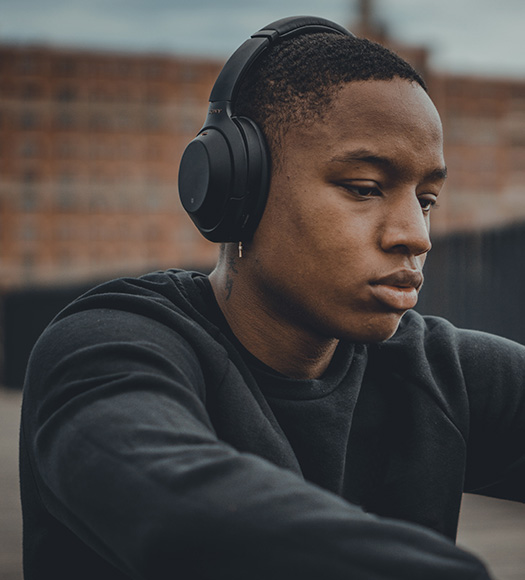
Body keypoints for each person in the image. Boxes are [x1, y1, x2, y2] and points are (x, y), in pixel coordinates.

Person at [20, 16, 525, 580]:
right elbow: (183, 511)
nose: (416, 234)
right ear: (240, 189)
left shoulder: (436, 370)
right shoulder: (106, 347)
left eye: (427, 199)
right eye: (364, 188)